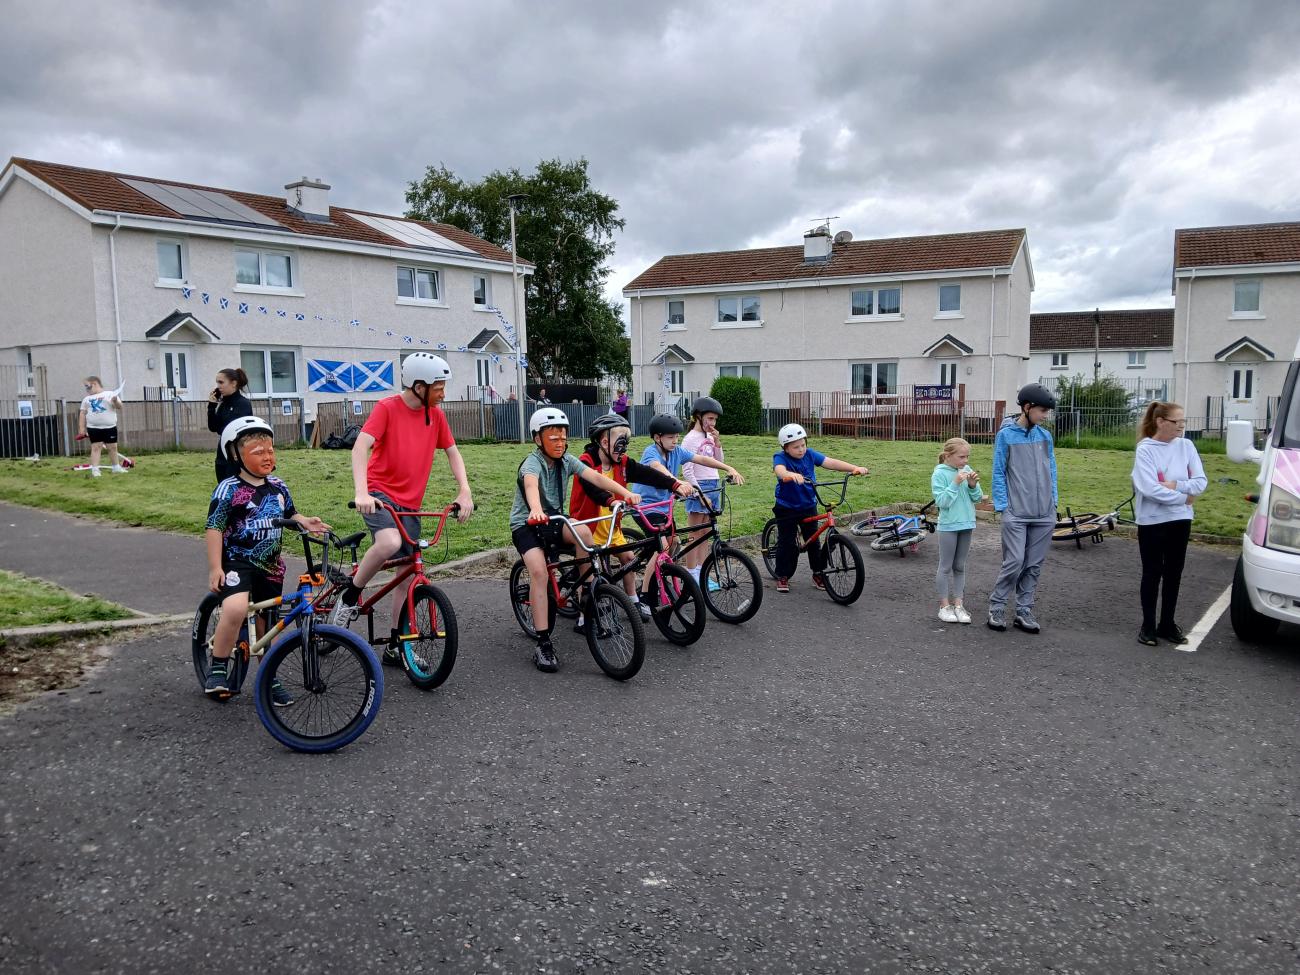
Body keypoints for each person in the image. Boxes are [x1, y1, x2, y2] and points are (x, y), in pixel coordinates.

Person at [329, 354, 474, 661]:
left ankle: (396, 644)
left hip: (411, 504)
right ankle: (351, 595)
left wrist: (465, 490)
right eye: (438, 387)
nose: (443, 394)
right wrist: (362, 492)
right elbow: (360, 447)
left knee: (407, 577)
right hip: (380, 494)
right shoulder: (387, 408)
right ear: (419, 386)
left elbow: (452, 452)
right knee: (389, 542)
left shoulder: (435, 415)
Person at [203, 417, 329, 702]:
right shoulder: (228, 489)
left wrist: (305, 521)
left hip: (271, 566)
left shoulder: (279, 486)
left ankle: (268, 677)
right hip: (237, 561)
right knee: (235, 609)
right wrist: (215, 567)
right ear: (236, 455)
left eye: (270, 450)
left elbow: (291, 514)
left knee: (267, 625)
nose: (267, 456)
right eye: (258, 451)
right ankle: (219, 666)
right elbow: (214, 528)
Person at [512, 407, 641, 673]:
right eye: (553, 437)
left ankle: (586, 591)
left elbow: (594, 476)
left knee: (584, 533)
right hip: (527, 524)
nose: (560, 442)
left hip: (555, 520)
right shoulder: (532, 463)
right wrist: (536, 508)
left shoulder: (568, 460)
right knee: (539, 573)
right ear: (538, 439)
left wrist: (624, 494)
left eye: (563, 436)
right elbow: (531, 485)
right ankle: (543, 643)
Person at [570, 413, 694, 620]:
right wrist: (611, 501)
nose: (624, 449)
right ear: (604, 441)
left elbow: (648, 474)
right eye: (620, 443)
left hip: (611, 526)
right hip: (589, 526)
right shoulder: (586, 462)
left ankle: (634, 601)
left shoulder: (623, 463)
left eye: (626, 443)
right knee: (589, 575)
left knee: (629, 561)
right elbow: (593, 488)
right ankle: (585, 617)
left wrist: (675, 484)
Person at [1132, 401, 1206, 646]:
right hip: (1152, 521)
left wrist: (1175, 485)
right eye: (1177, 422)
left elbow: (1200, 482)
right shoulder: (1145, 450)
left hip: (1180, 520)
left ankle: (1167, 624)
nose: (1181, 427)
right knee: (1153, 572)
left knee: (1174, 573)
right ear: (1160, 422)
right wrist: (1185, 497)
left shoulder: (1186, 446)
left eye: (1183, 422)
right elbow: (1150, 489)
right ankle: (1148, 626)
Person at [988, 383, 1059, 634]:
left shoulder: (1044, 436)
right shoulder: (1006, 435)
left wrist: (1054, 501)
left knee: (1033, 565)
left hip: (1044, 513)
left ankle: (1024, 609)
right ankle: (996, 606)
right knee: (1015, 561)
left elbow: (1051, 470)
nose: (1044, 415)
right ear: (1027, 407)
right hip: (1016, 512)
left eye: (1046, 412)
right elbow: (998, 472)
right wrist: (1003, 507)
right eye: (1042, 410)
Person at [771, 423, 869, 594]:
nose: (801, 449)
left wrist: (853, 468)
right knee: (786, 543)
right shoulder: (781, 458)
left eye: (803, 444)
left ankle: (818, 573)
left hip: (808, 504)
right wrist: (789, 475)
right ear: (785, 448)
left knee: (814, 541)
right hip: (787, 507)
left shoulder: (809, 454)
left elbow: (829, 462)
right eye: (796, 447)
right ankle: (782, 576)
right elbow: (779, 471)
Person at [931, 437, 984, 624]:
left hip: (966, 523)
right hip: (948, 526)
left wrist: (972, 485)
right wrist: (955, 483)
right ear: (948, 456)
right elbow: (942, 502)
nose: (966, 461)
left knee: (960, 566)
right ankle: (944, 606)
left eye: (967, 457)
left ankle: (959, 605)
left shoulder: (967, 470)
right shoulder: (939, 473)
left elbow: (977, 498)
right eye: (962, 457)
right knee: (945, 566)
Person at [679, 396, 730, 585]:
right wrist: (698, 493)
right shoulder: (690, 439)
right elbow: (687, 469)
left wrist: (717, 443)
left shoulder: (709, 437)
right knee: (694, 534)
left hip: (713, 484)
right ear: (698, 417)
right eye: (709, 418)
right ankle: (691, 573)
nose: (712, 423)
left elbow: (720, 461)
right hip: (699, 486)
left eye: (715, 419)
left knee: (706, 533)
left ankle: (703, 572)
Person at [207, 367, 253, 483]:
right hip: (222, 455)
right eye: (217, 382)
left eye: (221, 382)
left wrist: (221, 429)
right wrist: (212, 406)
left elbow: (232, 430)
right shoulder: (223, 404)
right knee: (223, 490)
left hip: (237, 455)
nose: (218, 386)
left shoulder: (243, 404)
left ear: (233, 383)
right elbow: (213, 427)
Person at [77, 376, 126, 477]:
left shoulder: (110, 394)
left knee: (112, 447)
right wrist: (81, 428)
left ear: (94, 384)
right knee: (96, 447)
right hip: (93, 428)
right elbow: (82, 413)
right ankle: (95, 470)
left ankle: (116, 467)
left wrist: (115, 400)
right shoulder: (86, 399)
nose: (86, 390)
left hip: (110, 427)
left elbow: (119, 407)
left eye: (88, 387)